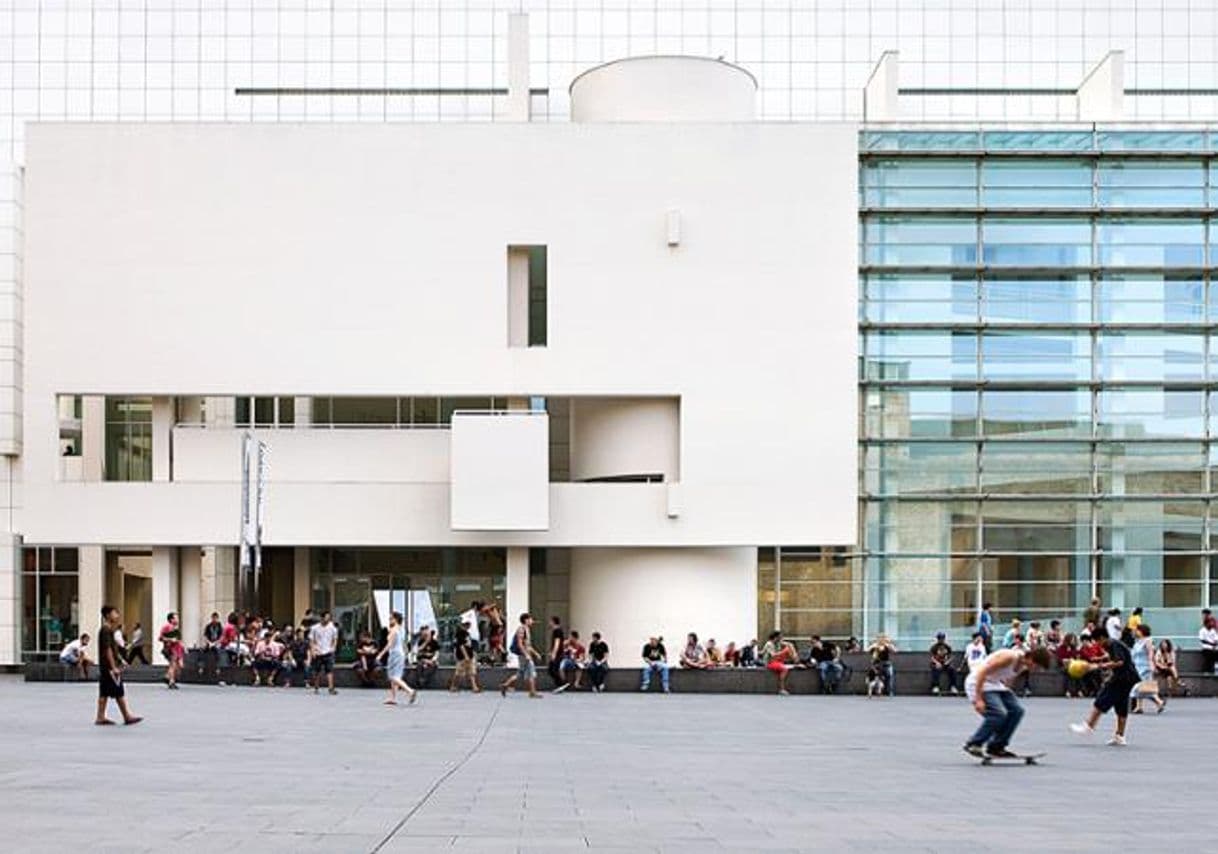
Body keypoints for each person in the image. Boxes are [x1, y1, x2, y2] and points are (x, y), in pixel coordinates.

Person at [961, 645, 1052, 759]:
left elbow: (1008, 680)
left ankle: (996, 747)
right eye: (1036, 666)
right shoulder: (1009, 657)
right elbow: (982, 672)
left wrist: (1008, 696)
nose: (1035, 669)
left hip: (995, 685)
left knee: (1017, 711)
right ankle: (974, 743)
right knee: (998, 714)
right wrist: (978, 699)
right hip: (978, 683)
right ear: (1031, 658)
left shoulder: (1023, 666)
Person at [1070, 630, 1142, 746]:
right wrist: (1100, 659)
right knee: (1121, 705)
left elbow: (1120, 662)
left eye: (1097, 641)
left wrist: (1100, 666)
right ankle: (1120, 736)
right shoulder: (1112, 644)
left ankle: (1089, 726)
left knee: (1102, 699)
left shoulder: (1114, 644)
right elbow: (1113, 656)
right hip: (1129, 678)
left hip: (1122, 678)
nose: (1097, 644)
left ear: (1102, 637)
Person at [95, 606, 142, 727]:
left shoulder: (108, 629)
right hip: (109, 667)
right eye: (114, 613)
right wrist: (114, 667)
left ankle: (100, 717)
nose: (117, 615)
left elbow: (112, 649)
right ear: (107, 615)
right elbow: (108, 649)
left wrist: (121, 660)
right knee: (118, 691)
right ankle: (127, 716)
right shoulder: (106, 630)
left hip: (106, 666)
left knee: (104, 692)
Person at [377, 611, 417, 706]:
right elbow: (403, 643)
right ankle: (393, 697)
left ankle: (410, 691)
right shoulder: (401, 629)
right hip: (400, 654)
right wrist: (406, 652)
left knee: (393, 676)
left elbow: (390, 644)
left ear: (395, 619)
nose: (389, 620)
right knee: (396, 676)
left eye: (391, 618)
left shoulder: (393, 630)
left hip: (394, 654)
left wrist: (380, 654)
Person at [499, 613, 541, 698]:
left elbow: (528, 645)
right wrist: (526, 655)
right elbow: (520, 644)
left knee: (521, 673)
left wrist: (535, 653)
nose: (532, 621)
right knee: (531, 673)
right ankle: (532, 692)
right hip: (524, 655)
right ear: (526, 620)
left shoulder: (526, 629)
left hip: (525, 654)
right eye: (530, 619)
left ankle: (505, 685)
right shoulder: (521, 629)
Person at [1129, 623, 1165, 715]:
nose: (1136, 632)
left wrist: (1152, 666)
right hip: (1137, 666)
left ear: (1142, 631)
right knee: (1142, 687)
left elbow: (1150, 654)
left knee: (1139, 686)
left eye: (1137, 630)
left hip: (1145, 667)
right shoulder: (1137, 641)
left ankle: (1158, 701)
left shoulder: (1148, 641)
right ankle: (1139, 706)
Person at [308, 610, 339, 695]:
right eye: (326, 617)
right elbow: (311, 640)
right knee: (317, 671)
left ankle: (331, 688)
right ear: (322, 618)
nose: (328, 619)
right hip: (318, 651)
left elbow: (335, 639)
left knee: (329, 670)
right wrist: (313, 650)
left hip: (328, 651)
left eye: (329, 618)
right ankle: (316, 687)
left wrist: (333, 648)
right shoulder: (314, 628)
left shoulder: (332, 628)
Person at [762, 630, 799, 695]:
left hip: (777, 660)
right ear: (776, 637)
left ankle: (796, 662)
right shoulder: (769, 644)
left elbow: (790, 644)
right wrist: (784, 651)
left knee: (788, 648)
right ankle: (781, 689)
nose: (781, 639)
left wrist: (794, 653)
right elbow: (773, 655)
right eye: (780, 637)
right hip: (770, 662)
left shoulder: (778, 642)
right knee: (784, 669)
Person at [449, 620, 481, 693]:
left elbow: (469, 645)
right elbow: (461, 646)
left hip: (470, 655)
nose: (468, 626)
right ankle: (453, 686)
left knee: (472, 671)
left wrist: (473, 653)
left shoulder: (467, 633)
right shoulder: (460, 633)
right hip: (462, 656)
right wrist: (465, 655)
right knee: (459, 672)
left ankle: (474, 687)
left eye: (468, 625)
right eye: (466, 625)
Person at [158, 612, 184, 690]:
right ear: (171, 619)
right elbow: (160, 638)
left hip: (177, 649)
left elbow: (178, 640)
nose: (178, 619)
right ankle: (171, 681)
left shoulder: (175, 628)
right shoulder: (166, 627)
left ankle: (168, 677)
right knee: (173, 665)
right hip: (171, 649)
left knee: (177, 665)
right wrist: (170, 639)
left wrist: (182, 646)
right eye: (176, 618)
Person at [1057, 633, 1084, 698]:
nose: (1073, 641)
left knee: (1078, 672)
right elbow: (1060, 658)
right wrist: (1068, 658)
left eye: (1074, 640)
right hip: (1064, 665)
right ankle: (1067, 691)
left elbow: (1077, 656)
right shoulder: (1062, 647)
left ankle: (1079, 690)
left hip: (1073, 665)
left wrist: (1076, 652)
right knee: (1068, 672)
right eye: (1072, 639)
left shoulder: (1074, 648)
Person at [200, 612, 224, 678]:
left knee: (218, 652)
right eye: (213, 618)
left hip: (216, 643)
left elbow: (221, 637)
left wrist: (215, 643)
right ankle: (201, 667)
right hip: (209, 642)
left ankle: (218, 668)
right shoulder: (208, 626)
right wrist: (209, 643)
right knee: (202, 651)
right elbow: (205, 636)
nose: (214, 620)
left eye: (216, 618)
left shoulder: (220, 626)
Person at [547, 616, 565, 688]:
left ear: (553, 622)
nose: (549, 623)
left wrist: (554, 653)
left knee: (553, 669)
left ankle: (562, 684)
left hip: (558, 653)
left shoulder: (557, 631)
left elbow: (557, 642)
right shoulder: (558, 630)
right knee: (552, 669)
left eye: (550, 621)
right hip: (558, 653)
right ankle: (560, 684)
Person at [1199, 611, 1218, 676]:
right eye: (1210, 623)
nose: (1212, 624)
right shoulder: (1202, 630)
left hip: (1213, 648)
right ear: (1207, 623)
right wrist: (1211, 644)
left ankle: (1215, 669)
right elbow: (1202, 640)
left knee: (1215, 655)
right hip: (1206, 647)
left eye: (1212, 623)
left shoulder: (1213, 631)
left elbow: (1216, 639)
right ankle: (1206, 671)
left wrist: (1214, 645)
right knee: (1208, 656)